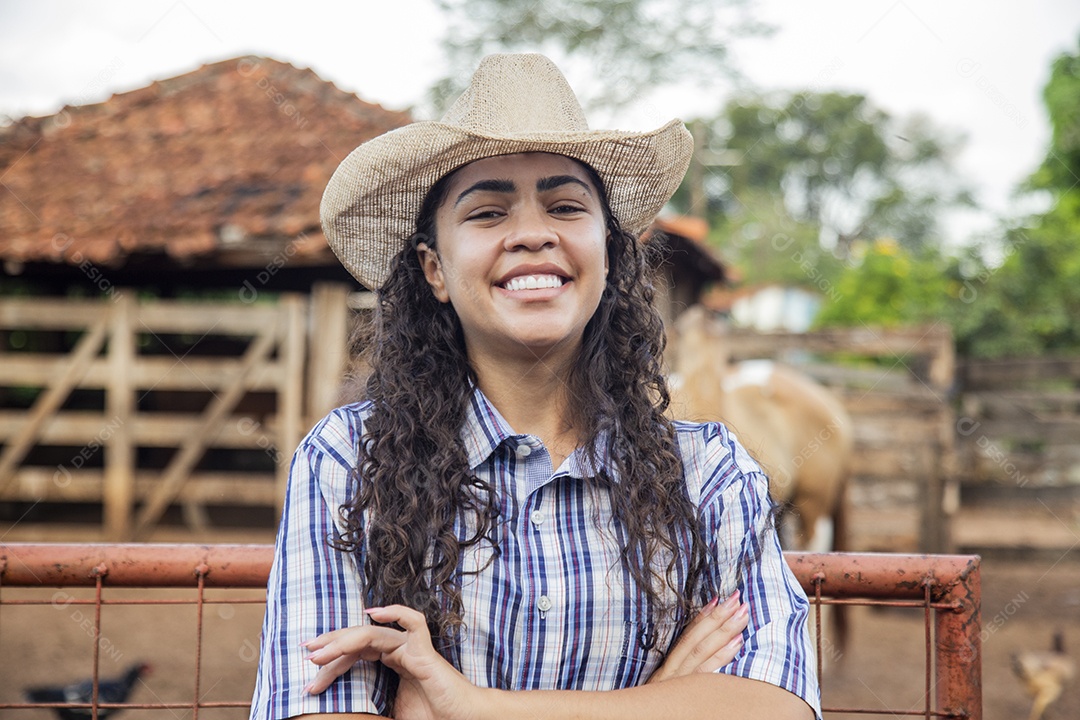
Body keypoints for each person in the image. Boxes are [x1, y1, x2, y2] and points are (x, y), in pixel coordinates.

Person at [249, 53, 820, 720]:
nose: (532, 234)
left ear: (609, 252)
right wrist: (663, 701)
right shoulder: (348, 462)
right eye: (488, 213)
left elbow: (778, 708)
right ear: (434, 269)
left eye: (565, 205)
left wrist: (466, 705)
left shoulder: (710, 476)